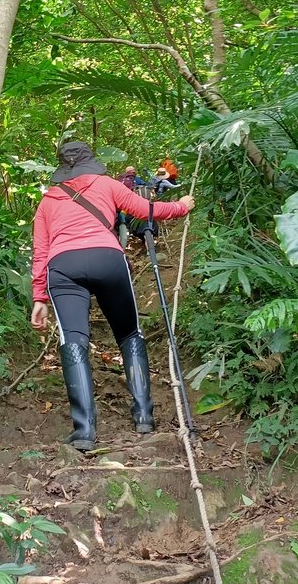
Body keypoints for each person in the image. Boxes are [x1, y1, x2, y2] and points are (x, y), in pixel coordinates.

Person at [31, 141, 196, 451]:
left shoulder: (47, 202)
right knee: (129, 333)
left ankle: (84, 432)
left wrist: (39, 297)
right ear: (91, 162)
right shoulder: (107, 184)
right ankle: (144, 417)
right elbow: (147, 211)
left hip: (62, 266)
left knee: (73, 340)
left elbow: (40, 252)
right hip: (107, 258)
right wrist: (181, 206)